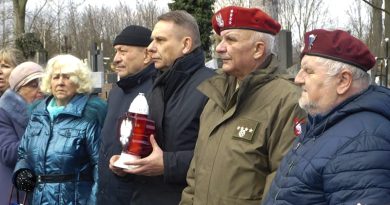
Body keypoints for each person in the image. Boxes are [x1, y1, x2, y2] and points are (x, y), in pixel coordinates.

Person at [180, 6, 306, 205]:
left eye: (230, 39)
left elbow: (284, 185)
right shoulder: (216, 94)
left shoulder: (287, 100)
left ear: (258, 49)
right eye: (219, 40)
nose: (220, 48)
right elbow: (196, 173)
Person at [262, 29, 390, 204]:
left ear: (343, 81)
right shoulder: (324, 122)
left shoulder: (361, 143)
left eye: (308, 71)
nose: (298, 79)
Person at [109, 10, 215, 204]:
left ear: (186, 44)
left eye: (160, 40)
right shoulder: (156, 86)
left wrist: (168, 164)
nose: (150, 48)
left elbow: (221, 156)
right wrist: (127, 163)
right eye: (151, 40)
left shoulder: (212, 87)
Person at [12, 54, 107, 205]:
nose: (60, 82)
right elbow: (23, 152)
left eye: (67, 77)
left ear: (79, 81)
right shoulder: (38, 114)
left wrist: (94, 202)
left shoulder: (89, 115)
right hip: (39, 199)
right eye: (56, 77)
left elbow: (100, 167)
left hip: (75, 199)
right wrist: (22, 170)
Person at [97, 25, 155, 204]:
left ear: (146, 55)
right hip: (108, 194)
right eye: (115, 52)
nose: (115, 59)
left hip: (137, 195)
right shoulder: (116, 92)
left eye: (123, 51)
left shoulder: (157, 92)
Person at [0, 62, 44, 205]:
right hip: (16, 192)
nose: (40, 90)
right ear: (18, 89)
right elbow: (8, 153)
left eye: (42, 84)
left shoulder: (48, 111)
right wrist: (43, 138)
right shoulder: (3, 112)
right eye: (32, 85)